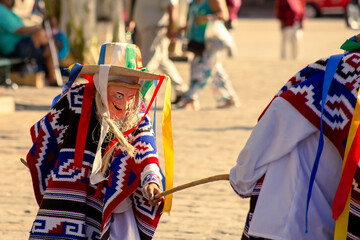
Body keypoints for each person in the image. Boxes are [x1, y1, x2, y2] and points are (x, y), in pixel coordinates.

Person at [26, 42, 165, 239]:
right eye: (119, 94)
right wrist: (49, 159)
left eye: (131, 95)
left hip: (116, 202)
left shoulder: (138, 111)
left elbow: (147, 145)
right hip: (74, 190)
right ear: (102, 83)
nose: (125, 103)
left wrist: (151, 179)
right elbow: (46, 131)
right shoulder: (76, 99)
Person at [229, 35, 360, 239]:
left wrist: (243, 176)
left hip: (292, 218)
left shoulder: (339, 71)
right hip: (336, 224)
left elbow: (280, 117)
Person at [177, 0, 240, 110]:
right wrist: (180, 30)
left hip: (211, 41)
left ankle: (192, 98)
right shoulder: (195, 2)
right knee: (214, 69)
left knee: (202, 69)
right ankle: (229, 98)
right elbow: (193, 20)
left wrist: (206, 18)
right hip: (197, 41)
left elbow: (224, 15)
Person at [130, 0, 188, 104]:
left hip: (155, 29)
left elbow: (172, 6)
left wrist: (171, 28)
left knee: (149, 62)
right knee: (162, 60)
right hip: (147, 30)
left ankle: (142, 95)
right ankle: (181, 89)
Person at [0, 0, 58, 85]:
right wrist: (36, 29)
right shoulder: (1, 10)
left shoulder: (8, 11)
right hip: (14, 48)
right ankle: (48, 41)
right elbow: (18, 29)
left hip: (23, 44)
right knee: (40, 35)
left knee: (50, 48)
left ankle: (53, 79)